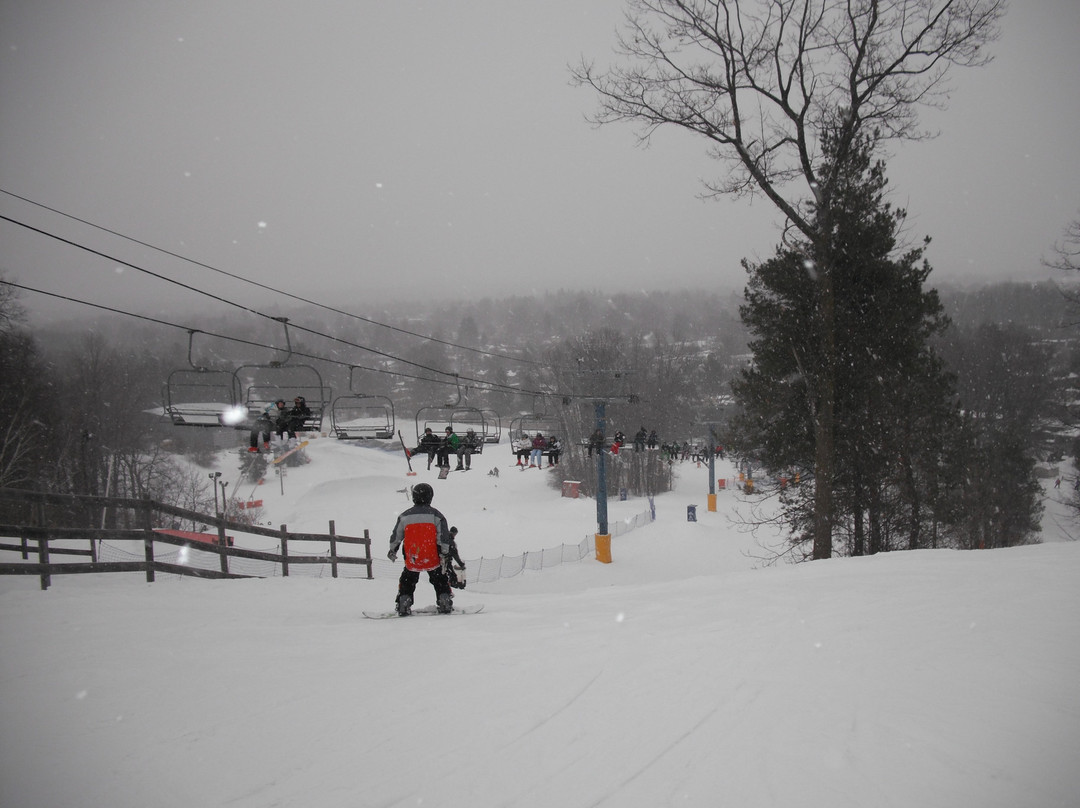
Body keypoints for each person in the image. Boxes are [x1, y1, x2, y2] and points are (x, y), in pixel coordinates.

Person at [387, 483, 453, 615]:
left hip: (413, 556)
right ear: (430, 497)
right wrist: (444, 552)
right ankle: (444, 598)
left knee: (407, 580)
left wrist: (393, 550)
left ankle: (404, 601)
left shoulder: (404, 516)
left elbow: (396, 535)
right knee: (440, 579)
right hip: (432, 556)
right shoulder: (437, 515)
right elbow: (444, 536)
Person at [445, 526, 467, 590]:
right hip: (446, 561)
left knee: (446, 574)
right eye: (455, 534)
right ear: (453, 533)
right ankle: (451, 588)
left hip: (440, 561)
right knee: (453, 576)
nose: (455, 536)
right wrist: (461, 564)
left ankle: (449, 586)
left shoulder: (444, 538)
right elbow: (455, 555)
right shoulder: (451, 542)